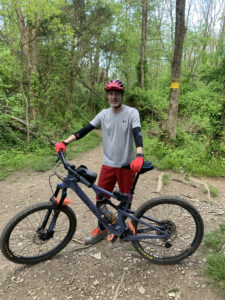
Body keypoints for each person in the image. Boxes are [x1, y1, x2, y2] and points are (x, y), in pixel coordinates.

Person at [55, 79, 144, 245]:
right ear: (108, 96)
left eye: (117, 93)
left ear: (122, 95)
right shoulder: (103, 114)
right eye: (111, 94)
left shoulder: (132, 112)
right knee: (100, 199)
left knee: (126, 199)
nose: (113, 97)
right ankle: (105, 227)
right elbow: (85, 130)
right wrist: (65, 142)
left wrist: (139, 155)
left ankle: (125, 225)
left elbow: (137, 133)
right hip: (108, 165)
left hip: (127, 165)